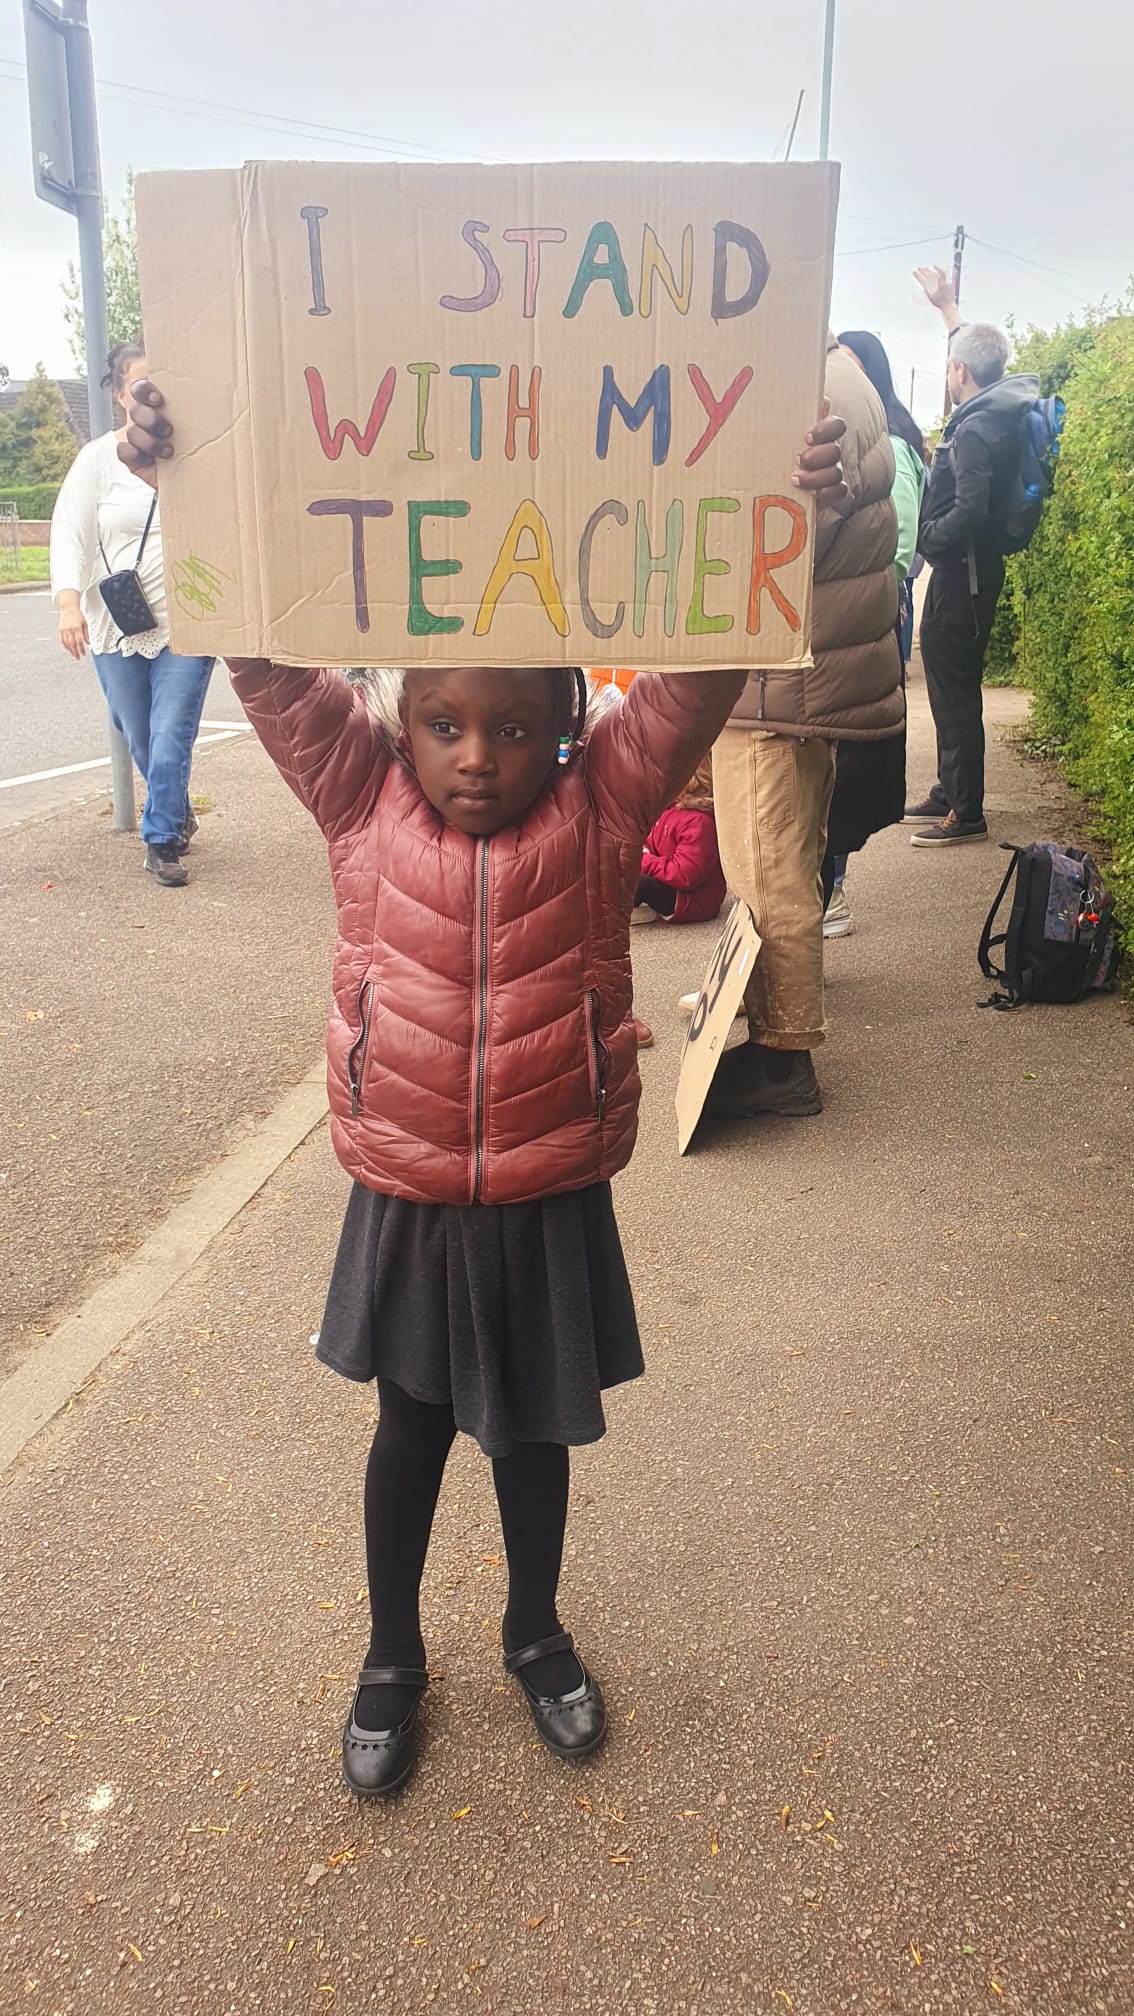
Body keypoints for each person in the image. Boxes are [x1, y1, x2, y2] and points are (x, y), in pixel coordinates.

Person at [121, 380, 846, 1798]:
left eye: (512, 729)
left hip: (543, 1180)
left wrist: (789, 511)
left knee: (531, 1427)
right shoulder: (352, 791)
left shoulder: (608, 803)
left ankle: (533, 1628)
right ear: (394, 724)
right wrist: (184, 474)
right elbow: (258, 651)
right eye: (443, 724)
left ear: (568, 731)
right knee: (407, 1428)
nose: (474, 755)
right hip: (405, 1183)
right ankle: (390, 1652)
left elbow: (701, 667)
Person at [703, 336, 902, 1122]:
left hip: (772, 680)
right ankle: (782, 1021)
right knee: (793, 852)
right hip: (810, 678)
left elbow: (787, 536)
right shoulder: (846, 377)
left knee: (764, 867)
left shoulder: (801, 387)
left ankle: (784, 1059)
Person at [49, 342, 216, 888]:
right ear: (121, 394)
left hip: (186, 620)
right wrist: (68, 603)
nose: (153, 393)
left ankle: (161, 840)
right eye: (141, 384)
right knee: (139, 733)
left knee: (170, 732)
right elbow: (69, 533)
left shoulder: (198, 453)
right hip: (116, 623)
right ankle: (175, 807)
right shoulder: (97, 459)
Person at [907, 267, 1040, 846]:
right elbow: (976, 351)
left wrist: (928, 535)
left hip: (965, 575)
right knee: (946, 682)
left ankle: (967, 811)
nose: (948, 368)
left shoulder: (981, 427)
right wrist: (948, 308)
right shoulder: (994, 404)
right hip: (969, 574)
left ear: (959, 372)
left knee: (956, 686)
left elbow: (972, 509)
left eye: (950, 362)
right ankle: (950, 788)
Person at [821, 330, 928, 937]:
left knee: (844, 768)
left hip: (865, 625)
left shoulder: (889, 444)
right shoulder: (848, 441)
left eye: (851, 366)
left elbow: (901, 547)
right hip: (847, 627)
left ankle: (832, 894)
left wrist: (870, 603)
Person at [631, 756, 726, 927]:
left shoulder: (699, 822)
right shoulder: (669, 810)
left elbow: (684, 875)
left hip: (691, 899)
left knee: (640, 884)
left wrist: (643, 860)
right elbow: (648, 841)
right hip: (666, 880)